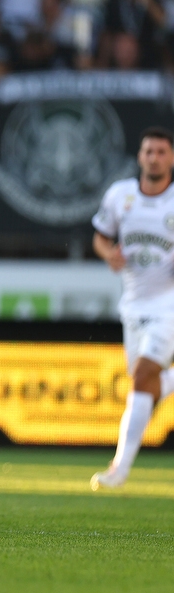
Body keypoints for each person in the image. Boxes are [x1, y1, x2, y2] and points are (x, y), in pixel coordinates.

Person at [90, 126, 174, 490]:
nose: (154, 157)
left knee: (142, 377)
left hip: (169, 304)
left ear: (171, 158)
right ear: (140, 157)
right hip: (133, 304)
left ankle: (119, 469)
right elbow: (100, 237)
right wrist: (110, 254)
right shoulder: (120, 196)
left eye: (161, 152)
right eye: (148, 151)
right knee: (145, 385)